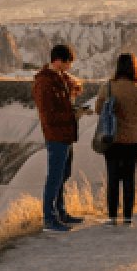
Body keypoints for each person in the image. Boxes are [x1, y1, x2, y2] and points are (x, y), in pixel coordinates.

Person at [33, 44, 89, 233]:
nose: (69, 67)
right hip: (56, 134)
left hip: (65, 134)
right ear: (58, 61)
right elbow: (48, 115)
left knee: (63, 175)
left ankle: (61, 212)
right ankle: (50, 219)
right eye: (68, 63)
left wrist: (73, 89)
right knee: (55, 177)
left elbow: (74, 87)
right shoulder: (44, 83)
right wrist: (73, 115)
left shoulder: (59, 78)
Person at [95, 52, 137, 225]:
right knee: (129, 178)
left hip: (112, 139)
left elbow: (98, 109)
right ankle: (128, 216)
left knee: (112, 177)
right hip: (133, 140)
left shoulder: (108, 87)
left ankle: (112, 216)